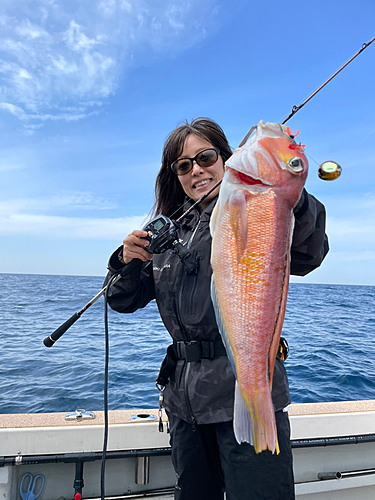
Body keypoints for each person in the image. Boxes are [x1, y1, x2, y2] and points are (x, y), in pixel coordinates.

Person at [104, 118, 329, 500]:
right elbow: (122, 300)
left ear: (227, 158)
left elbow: (309, 253)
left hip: (246, 389)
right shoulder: (168, 234)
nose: (197, 170)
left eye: (205, 157)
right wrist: (123, 261)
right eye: (183, 165)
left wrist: (289, 192)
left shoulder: (257, 205)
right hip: (184, 404)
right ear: (174, 176)